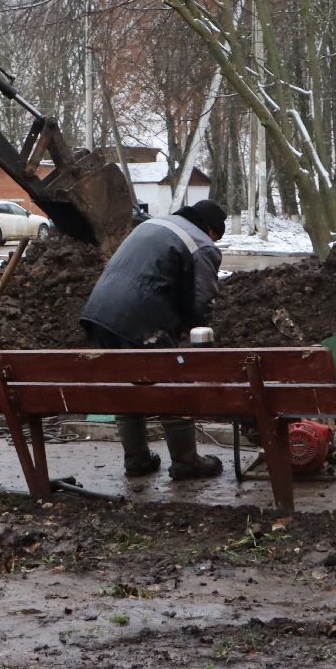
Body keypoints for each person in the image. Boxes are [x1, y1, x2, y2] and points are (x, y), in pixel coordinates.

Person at [80, 199, 228, 480]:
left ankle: (137, 460)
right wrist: (193, 336)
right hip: (142, 320)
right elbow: (202, 300)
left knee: (127, 386)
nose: (215, 242)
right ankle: (186, 461)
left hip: (99, 314)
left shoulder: (152, 224)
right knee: (172, 384)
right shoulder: (202, 244)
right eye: (217, 236)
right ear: (211, 230)